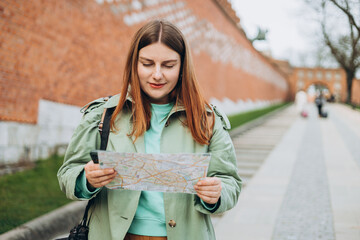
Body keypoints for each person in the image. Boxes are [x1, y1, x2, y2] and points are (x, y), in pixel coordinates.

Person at [57, 19, 242, 240]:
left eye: (168, 65)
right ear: (134, 64)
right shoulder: (103, 114)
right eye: (147, 63)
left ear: (182, 66)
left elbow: (230, 182)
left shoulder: (207, 119)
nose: (157, 74)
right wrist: (86, 180)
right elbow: (68, 174)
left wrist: (217, 193)